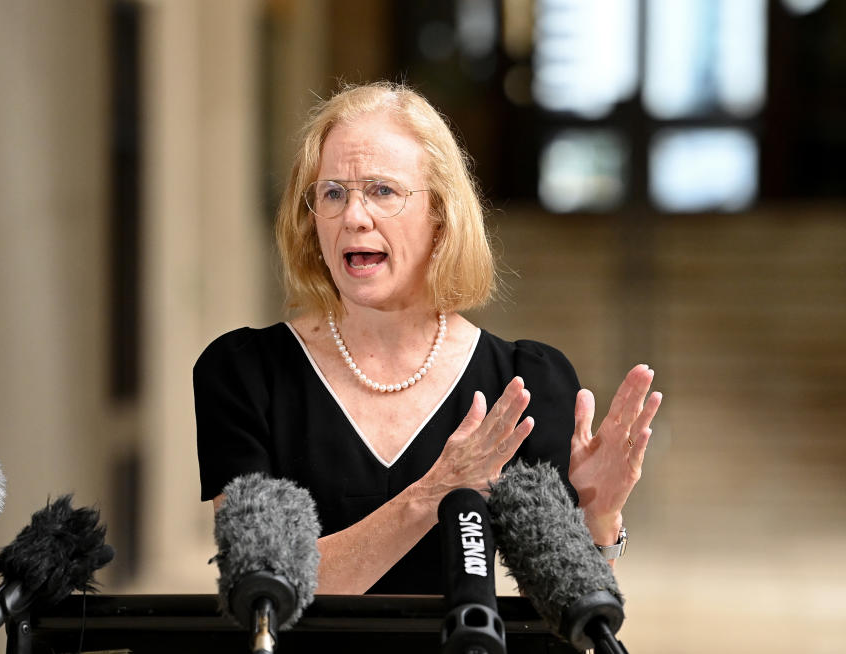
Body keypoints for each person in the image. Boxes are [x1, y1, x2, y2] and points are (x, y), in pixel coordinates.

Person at [194, 81, 661, 595]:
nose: (353, 216)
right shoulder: (244, 374)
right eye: (333, 193)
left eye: (382, 191)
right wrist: (430, 496)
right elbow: (265, 589)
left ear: (441, 216)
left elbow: (561, 626)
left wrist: (599, 515)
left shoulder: (526, 385)